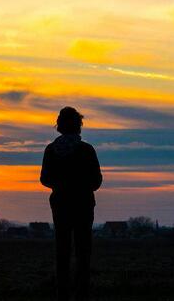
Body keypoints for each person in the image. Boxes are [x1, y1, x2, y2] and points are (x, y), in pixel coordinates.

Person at [40, 106, 103, 301]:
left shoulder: (51, 150)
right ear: (79, 126)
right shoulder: (86, 150)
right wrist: (82, 187)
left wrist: (61, 186)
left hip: (60, 205)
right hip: (83, 204)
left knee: (62, 250)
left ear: (59, 126)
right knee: (83, 251)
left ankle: (62, 294)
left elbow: (44, 178)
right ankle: (82, 294)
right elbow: (97, 180)